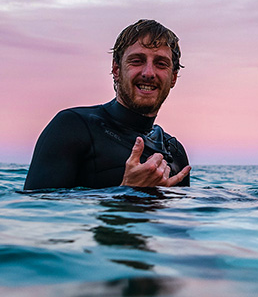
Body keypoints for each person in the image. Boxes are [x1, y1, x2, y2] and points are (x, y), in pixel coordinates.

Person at [24, 19, 191, 191]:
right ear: (117, 70)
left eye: (161, 64)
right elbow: (35, 211)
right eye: (136, 61)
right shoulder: (72, 126)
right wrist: (129, 190)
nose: (148, 73)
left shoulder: (175, 152)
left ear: (173, 77)